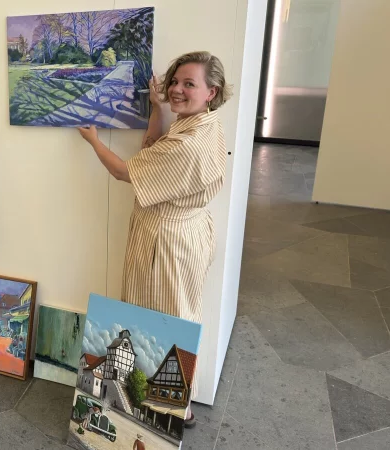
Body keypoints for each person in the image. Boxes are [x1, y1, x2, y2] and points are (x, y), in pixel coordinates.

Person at [77, 51, 233, 426]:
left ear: (211, 92)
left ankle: (178, 407)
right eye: (175, 81)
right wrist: (156, 109)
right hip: (182, 232)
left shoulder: (186, 144)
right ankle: (171, 404)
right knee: (169, 312)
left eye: (189, 84)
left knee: (166, 317)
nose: (177, 89)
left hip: (168, 240)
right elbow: (154, 152)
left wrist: (94, 141)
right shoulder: (204, 126)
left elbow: (125, 172)